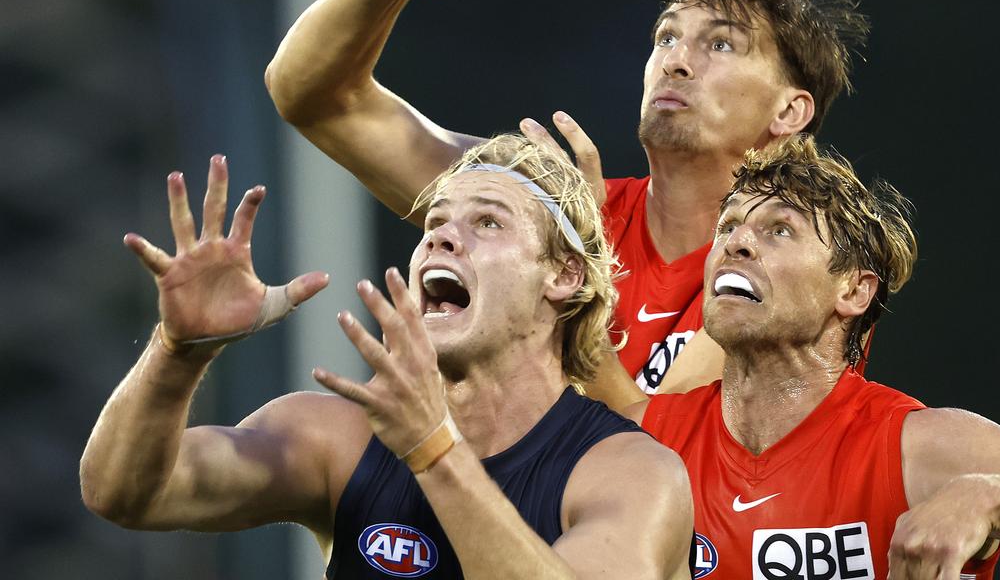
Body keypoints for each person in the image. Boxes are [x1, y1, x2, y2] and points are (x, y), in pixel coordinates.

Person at [264, 0, 870, 397]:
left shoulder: (814, 273)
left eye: (722, 46)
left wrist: (586, 266)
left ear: (789, 111)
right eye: (666, 37)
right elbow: (312, 97)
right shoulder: (545, 213)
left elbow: (663, 459)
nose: (677, 61)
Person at [79, 137, 694, 579]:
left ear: (562, 275)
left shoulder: (634, 470)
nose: (441, 238)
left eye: (488, 222)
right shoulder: (337, 438)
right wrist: (178, 351)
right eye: (435, 223)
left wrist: (433, 452)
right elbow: (125, 493)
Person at [614, 135, 1000, 579]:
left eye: (781, 231)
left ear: (853, 291)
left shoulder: (920, 448)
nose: (735, 242)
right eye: (729, 226)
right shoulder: (641, 445)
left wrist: (991, 498)